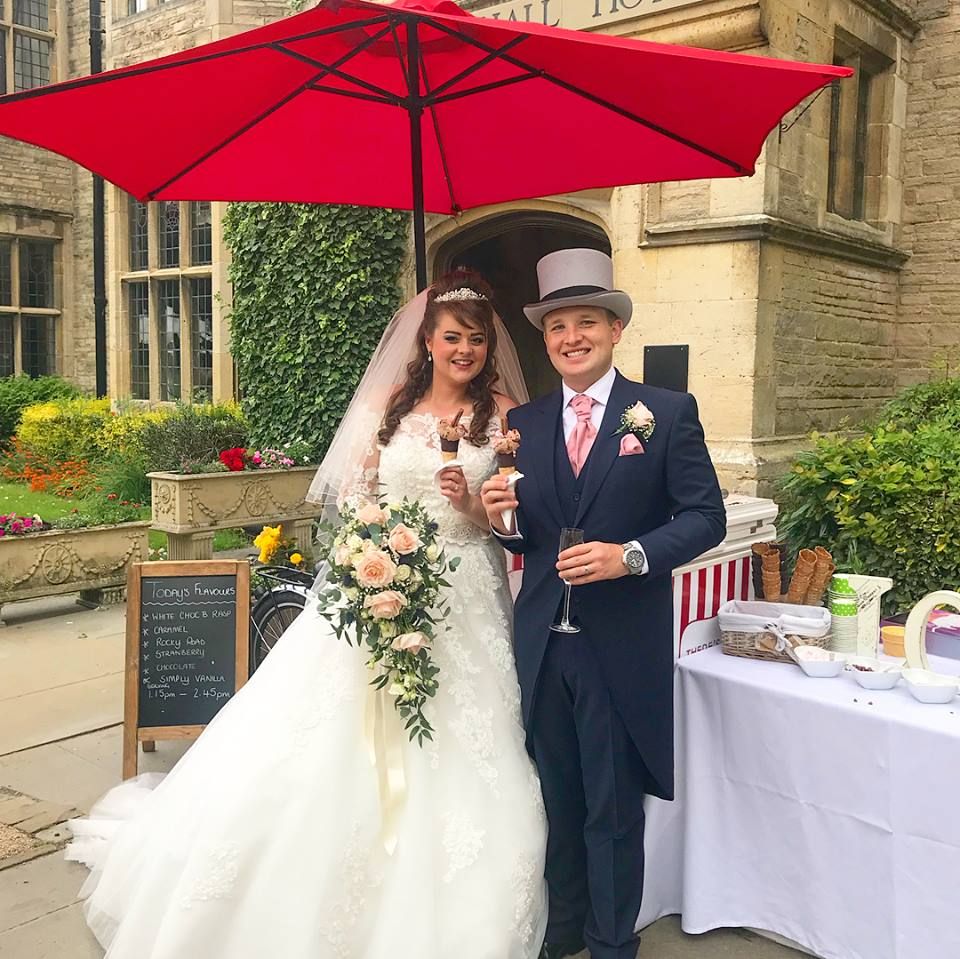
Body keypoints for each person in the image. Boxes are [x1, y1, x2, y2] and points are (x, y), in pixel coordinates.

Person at [67, 272, 548, 959]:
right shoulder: (389, 405)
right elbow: (353, 500)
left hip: (469, 588)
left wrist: (470, 504)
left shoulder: (504, 414)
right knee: (337, 725)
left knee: (469, 728)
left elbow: (509, 520)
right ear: (427, 341)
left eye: (476, 338)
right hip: (381, 579)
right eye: (452, 337)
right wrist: (375, 556)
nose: (465, 350)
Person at [481, 249, 726, 959]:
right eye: (558, 326)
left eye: (586, 321)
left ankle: (612, 942)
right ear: (546, 338)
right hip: (543, 640)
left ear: (615, 328)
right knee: (556, 795)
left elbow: (705, 516)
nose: (571, 337)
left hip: (619, 644)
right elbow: (529, 531)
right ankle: (562, 933)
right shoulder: (525, 422)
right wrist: (502, 519)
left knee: (613, 806)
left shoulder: (665, 413)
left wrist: (632, 555)